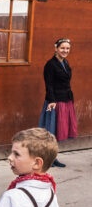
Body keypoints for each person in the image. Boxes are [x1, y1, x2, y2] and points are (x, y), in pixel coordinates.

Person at [39, 38, 76, 168]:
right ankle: (47, 159)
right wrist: (52, 100)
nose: (65, 51)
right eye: (62, 48)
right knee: (51, 131)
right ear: (56, 48)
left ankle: (53, 157)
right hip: (55, 101)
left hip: (66, 99)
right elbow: (48, 84)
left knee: (58, 131)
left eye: (67, 48)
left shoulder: (65, 63)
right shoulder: (50, 64)